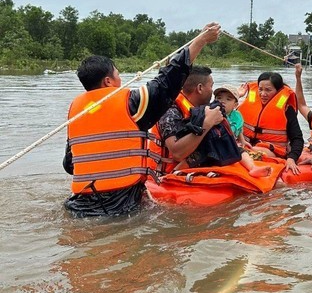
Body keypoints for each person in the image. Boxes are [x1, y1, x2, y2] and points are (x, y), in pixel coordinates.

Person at [62, 22, 221, 217]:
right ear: (108, 81)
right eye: (118, 75)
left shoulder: (75, 112)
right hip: (119, 208)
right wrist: (200, 41)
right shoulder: (131, 103)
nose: (121, 80)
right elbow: (167, 82)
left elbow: (70, 165)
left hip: (78, 206)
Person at [149, 65, 227, 173]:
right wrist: (208, 123)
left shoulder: (200, 109)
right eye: (211, 86)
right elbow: (177, 153)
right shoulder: (169, 110)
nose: (212, 92)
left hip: (189, 172)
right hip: (164, 177)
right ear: (200, 88)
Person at [237, 71, 304, 175]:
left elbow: (297, 139)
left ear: (277, 91)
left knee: (247, 151)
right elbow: (226, 117)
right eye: (260, 89)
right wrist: (237, 96)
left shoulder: (287, 110)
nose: (263, 94)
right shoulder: (248, 102)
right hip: (245, 144)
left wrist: (292, 158)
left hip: (270, 150)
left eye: (268, 90)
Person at [213, 84, 271, 177]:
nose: (222, 101)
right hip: (217, 145)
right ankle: (252, 168)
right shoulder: (214, 114)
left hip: (232, 144)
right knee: (240, 151)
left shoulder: (237, 115)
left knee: (247, 152)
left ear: (235, 105)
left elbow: (239, 129)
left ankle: (252, 168)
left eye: (228, 99)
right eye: (219, 98)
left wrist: (243, 140)